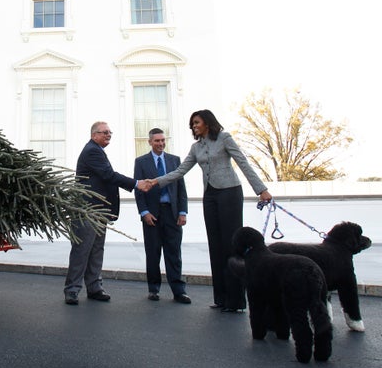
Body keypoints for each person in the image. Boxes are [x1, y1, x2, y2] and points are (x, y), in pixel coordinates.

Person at [140, 110, 272, 313]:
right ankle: (221, 298)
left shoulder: (224, 138)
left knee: (231, 245)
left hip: (229, 193)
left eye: (197, 123)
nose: (194, 126)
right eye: (192, 124)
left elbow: (242, 162)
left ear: (207, 123)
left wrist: (261, 189)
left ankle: (235, 300)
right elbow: (180, 171)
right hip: (210, 196)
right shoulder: (196, 147)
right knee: (215, 246)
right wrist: (156, 181)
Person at [64, 121, 143, 305]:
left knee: (96, 249)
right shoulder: (92, 151)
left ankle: (94, 287)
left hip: (98, 210)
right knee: (82, 250)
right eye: (105, 132)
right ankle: (72, 290)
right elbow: (109, 175)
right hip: (87, 210)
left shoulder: (98, 151)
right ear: (94, 135)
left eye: (110, 132)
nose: (108, 135)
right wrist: (137, 184)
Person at [134, 128, 190, 304]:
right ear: (150, 142)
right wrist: (144, 212)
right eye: (157, 141)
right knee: (153, 252)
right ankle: (154, 289)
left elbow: (181, 188)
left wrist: (182, 211)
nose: (160, 143)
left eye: (163, 140)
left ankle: (178, 291)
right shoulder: (141, 162)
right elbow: (139, 190)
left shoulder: (175, 161)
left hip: (172, 213)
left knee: (174, 252)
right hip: (152, 213)